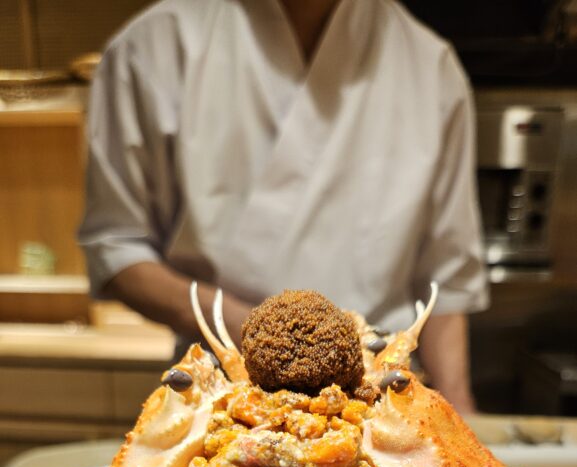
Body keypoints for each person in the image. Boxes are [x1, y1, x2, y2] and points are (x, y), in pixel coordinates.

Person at [78, 0, 488, 412]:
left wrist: (460, 414)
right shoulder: (155, 46)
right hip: (222, 394)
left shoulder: (430, 66)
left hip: (386, 399)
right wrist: (267, 338)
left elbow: (447, 280)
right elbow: (117, 246)